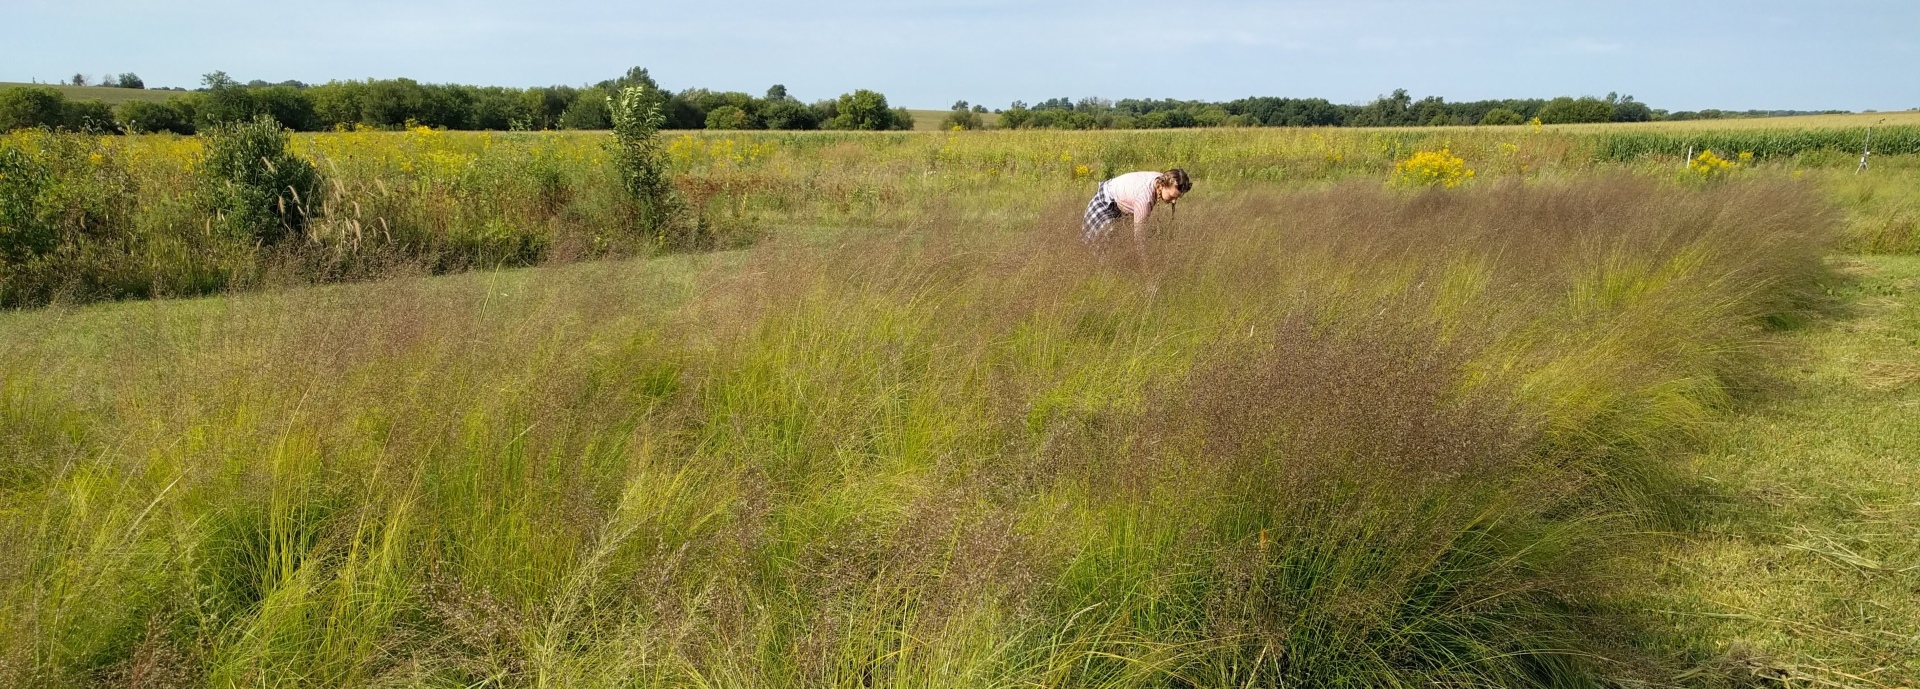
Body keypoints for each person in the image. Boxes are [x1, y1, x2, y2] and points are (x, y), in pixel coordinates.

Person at [1081, 168, 1193, 262]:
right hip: (1105, 202)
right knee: (1100, 253)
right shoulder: (1145, 200)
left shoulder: (1163, 178)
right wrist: (1147, 269)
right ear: (1163, 185)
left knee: (1120, 246)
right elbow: (1140, 240)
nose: (1174, 201)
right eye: (1172, 196)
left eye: (1177, 197)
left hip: (1118, 204)